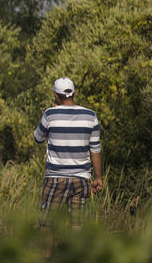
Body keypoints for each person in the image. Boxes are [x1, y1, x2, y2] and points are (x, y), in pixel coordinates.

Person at [33, 77, 103, 231]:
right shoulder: (91, 115)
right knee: (76, 224)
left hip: (55, 178)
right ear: (74, 94)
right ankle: (75, 255)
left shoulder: (50, 114)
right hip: (81, 179)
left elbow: (37, 138)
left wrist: (53, 113)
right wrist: (97, 177)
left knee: (47, 224)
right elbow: (95, 150)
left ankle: (46, 255)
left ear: (56, 96)